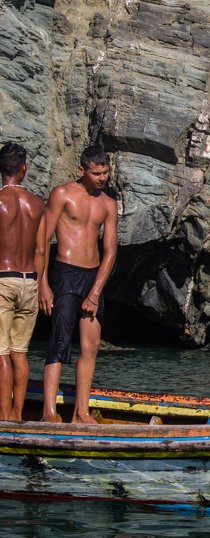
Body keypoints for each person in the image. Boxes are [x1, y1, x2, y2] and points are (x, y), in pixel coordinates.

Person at [39, 146, 118, 424]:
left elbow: (110, 251)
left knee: (91, 344)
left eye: (105, 172)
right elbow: (43, 241)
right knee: (59, 341)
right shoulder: (62, 194)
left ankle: (80, 412)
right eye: (96, 173)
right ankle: (49, 411)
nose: (102, 178)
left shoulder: (108, 204)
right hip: (65, 272)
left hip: (92, 275)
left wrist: (95, 292)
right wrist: (43, 284)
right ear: (82, 170)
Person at [0, 143, 47, 421]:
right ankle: (18, 414)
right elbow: (41, 250)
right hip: (29, 281)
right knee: (20, 352)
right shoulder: (38, 204)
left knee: (1, 353)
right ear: (24, 168)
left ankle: (4, 417)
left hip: (3, 280)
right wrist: (41, 285)